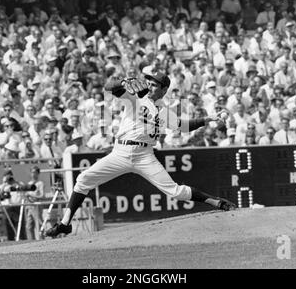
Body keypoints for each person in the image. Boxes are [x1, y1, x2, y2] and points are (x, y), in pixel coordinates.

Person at [45, 72, 237, 238]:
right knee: (83, 180)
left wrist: (207, 119)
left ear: (164, 89)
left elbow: (183, 126)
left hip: (145, 155)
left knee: (176, 192)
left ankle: (216, 202)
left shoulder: (164, 111)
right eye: (150, 83)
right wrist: (121, 82)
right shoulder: (136, 98)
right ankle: (65, 223)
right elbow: (109, 87)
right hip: (120, 153)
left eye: (155, 84)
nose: (150, 86)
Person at [24, 166, 45, 240]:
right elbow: (26, 195)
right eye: (32, 172)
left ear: (38, 173)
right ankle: (31, 242)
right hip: (30, 206)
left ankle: (42, 241)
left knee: (39, 225)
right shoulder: (29, 183)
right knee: (29, 226)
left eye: (35, 172)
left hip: (37, 206)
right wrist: (27, 197)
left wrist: (31, 195)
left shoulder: (40, 183)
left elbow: (42, 195)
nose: (33, 174)